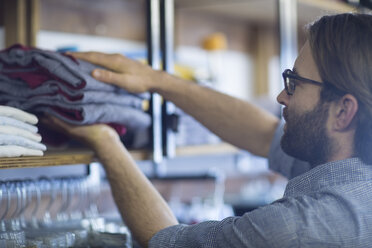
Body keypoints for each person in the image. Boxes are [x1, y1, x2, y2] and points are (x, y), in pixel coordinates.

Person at [43, 13, 372, 247]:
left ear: (343, 111)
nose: (281, 96)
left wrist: (106, 141)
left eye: (295, 83)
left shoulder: (296, 228)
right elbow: (262, 133)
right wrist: (156, 80)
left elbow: (165, 240)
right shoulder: (353, 173)